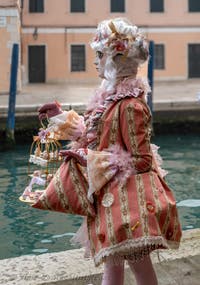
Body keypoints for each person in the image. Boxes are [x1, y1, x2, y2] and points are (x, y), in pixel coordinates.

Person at [36, 18, 182, 285]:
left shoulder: (130, 106)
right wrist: (59, 117)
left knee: (138, 266)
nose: (95, 61)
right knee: (112, 265)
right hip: (109, 199)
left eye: (100, 55)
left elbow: (141, 160)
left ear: (117, 60)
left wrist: (90, 159)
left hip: (129, 205)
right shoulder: (108, 99)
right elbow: (92, 134)